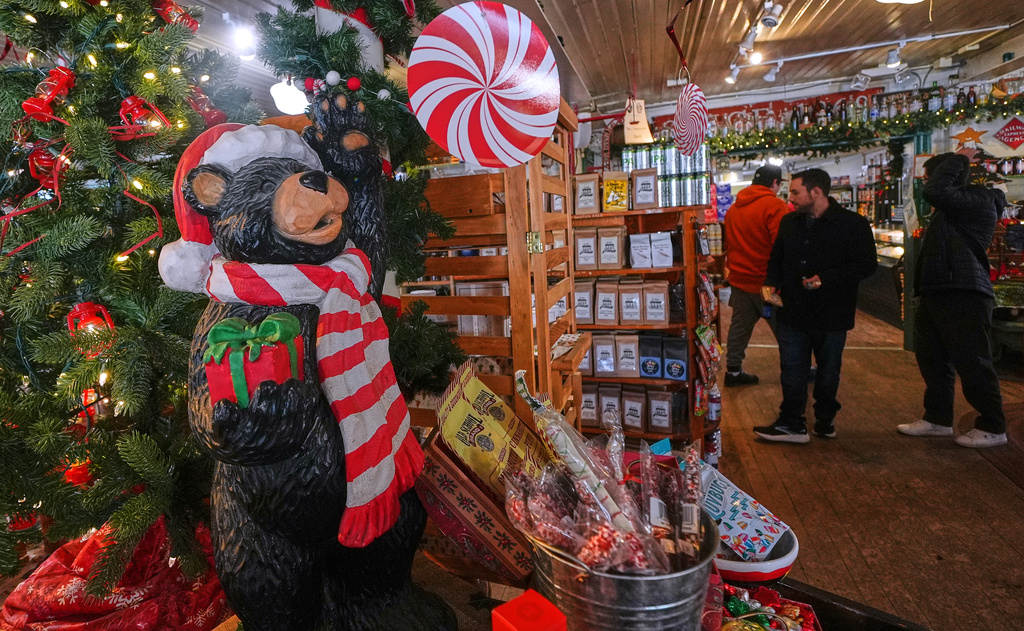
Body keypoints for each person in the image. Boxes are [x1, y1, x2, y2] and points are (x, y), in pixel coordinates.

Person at [754, 169, 877, 443]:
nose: (791, 198)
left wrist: (826, 279)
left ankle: (825, 419)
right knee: (792, 368)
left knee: (828, 370)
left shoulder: (852, 224)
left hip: (832, 312)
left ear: (816, 192)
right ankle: (792, 423)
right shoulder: (789, 222)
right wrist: (771, 283)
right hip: (793, 311)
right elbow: (776, 259)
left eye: (796, 192)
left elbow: (867, 265)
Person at [896, 152, 1007, 448]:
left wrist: (959, 158)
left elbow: (936, 190)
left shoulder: (980, 199)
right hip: (939, 290)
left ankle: (993, 426)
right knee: (932, 360)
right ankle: (938, 419)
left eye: (928, 175)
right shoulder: (952, 207)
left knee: (973, 361)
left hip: (964, 291)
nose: (926, 183)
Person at [723, 165, 789, 387]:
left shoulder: (733, 209)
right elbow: (782, 246)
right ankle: (795, 368)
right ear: (775, 184)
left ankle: (733, 371)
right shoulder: (775, 206)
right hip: (767, 284)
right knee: (786, 328)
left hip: (740, 281)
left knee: (739, 327)